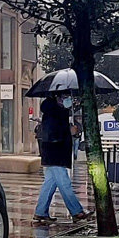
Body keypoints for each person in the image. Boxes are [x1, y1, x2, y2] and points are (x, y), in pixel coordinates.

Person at [33, 91, 93, 224]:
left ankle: (40, 212)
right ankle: (77, 212)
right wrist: (68, 131)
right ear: (57, 98)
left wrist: (69, 128)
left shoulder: (58, 112)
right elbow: (52, 133)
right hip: (55, 154)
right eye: (65, 97)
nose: (68, 100)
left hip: (55, 154)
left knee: (50, 184)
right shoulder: (52, 112)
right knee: (64, 183)